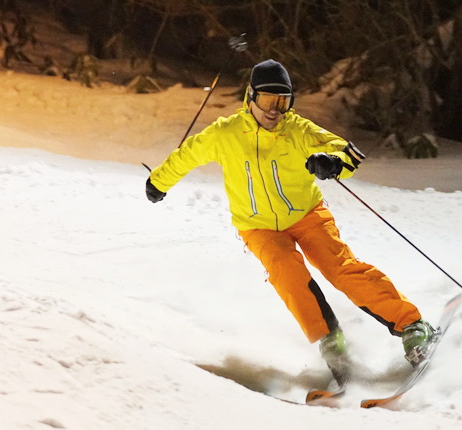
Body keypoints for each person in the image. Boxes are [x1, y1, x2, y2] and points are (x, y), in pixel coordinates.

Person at [145, 59, 435, 388]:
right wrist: (159, 182)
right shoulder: (225, 134)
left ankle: (414, 327)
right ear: (250, 98)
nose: (275, 110)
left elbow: (348, 151)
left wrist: (332, 162)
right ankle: (332, 344)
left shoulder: (297, 131)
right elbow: (188, 154)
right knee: (289, 275)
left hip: (307, 216)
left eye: (283, 102)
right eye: (268, 100)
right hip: (259, 228)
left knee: (341, 270)